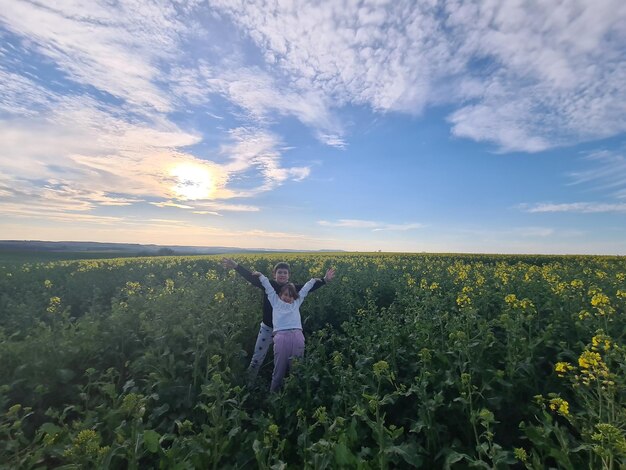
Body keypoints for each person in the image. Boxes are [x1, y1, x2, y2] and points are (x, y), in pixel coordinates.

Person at [222, 258, 335, 382]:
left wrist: (324, 280)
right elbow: (252, 278)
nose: (282, 275)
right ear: (274, 274)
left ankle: (289, 383)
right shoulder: (269, 285)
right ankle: (249, 383)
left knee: (289, 359)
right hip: (267, 328)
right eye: (279, 272)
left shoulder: (291, 288)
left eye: (285, 273)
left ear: (289, 275)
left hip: (284, 332)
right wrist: (236, 266)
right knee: (257, 357)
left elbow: (307, 288)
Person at [252, 271, 318, 391]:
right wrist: (261, 276)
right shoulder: (275, 302)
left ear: (294, 297)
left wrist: (312, 280)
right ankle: (274, 395)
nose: (288, 298)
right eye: (285, 295)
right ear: (280, 295)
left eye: (291, 295)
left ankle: (294, 394)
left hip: (298, 337)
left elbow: (304, 291)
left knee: (297, 368)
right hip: (281, 338)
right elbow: (268, 288)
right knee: (279, 369)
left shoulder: (296, 304)